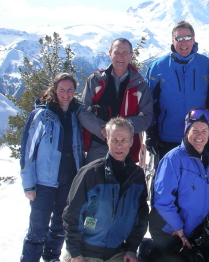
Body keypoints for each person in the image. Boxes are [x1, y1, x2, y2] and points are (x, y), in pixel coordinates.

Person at [62, 117, 149, 262]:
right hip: (85, 253)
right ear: (107, 140)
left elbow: (141, 217)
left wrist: (132, 249)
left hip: (118, 253)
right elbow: (71, 214)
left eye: (124, 140)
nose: (119, 146)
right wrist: (75, 253)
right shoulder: (91, 173)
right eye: (114, 140)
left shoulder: (136, 176)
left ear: (132, 142)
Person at [20, 73, 84, 262]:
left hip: (69, 181)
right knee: (37, 228)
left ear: (75, 91)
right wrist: (28, 184)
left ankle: (51, 258)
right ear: (55, 90)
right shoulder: (41, 115)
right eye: (62, 89)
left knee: (59, 225)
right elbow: (27, 151)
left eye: (70, 89)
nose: (66, 93)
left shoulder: (77, 114)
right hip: (43, 183)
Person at [146, 108, 209, 262]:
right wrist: (179, 231)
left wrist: (208, 220)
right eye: (194, 130)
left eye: (204, 131)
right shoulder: (173, 159)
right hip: (169, 229)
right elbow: (162, 202)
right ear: (187, 131)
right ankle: (149, 251)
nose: (199, 136)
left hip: (195, 227)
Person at [145, 21, 209, 160]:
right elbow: (148, 102)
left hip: (198, 137)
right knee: (167, 179)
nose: (184, 43)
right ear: (172, 40)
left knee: (195, 179)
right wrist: (150, 132)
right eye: (179, 38)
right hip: (167, 137)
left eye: (188, 38)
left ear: (193, 40)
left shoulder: (205, 64)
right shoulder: (158, 67)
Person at [79, 38, 153, 164]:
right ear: (110, 53)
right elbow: (83, 111)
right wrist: (105, 131)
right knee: (94, 180)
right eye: (117, 52)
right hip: (98, 144)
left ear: (131, 55)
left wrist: (119, 129)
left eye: (125, 53)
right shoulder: (95, 80)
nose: (121, 57)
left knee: (124, 182)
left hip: (127, 147)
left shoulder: (140, 85)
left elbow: (146, 118)